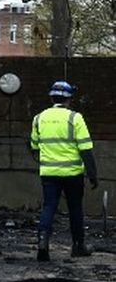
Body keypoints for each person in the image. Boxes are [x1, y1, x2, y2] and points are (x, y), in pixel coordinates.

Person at [31, 80, 98, 261]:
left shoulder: (39, 118)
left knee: (49, 207)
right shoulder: (75, 118)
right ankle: (78, 246)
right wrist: (93, 174)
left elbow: (34, 147)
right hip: (73, 174)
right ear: (69, 99)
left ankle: (43, 244)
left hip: (49, 174)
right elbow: (85, 149)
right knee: (75, 208)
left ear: (52, 97)